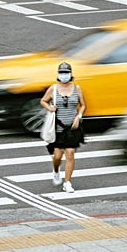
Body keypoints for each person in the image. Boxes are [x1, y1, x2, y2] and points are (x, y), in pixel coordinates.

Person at [40, 62, 86, 194]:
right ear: (58, 74)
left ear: (70, 74)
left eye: (66, 73)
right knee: (57, 156)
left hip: (72, 127)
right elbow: (43, 101)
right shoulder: (53, 89)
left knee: (70, 153)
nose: (64, 75)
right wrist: (50, 108)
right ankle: (56, 171)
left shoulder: (77, 88)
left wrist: (79, 116)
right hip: (58, 127)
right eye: (62, 73)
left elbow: (83, 105)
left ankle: (67, 182)